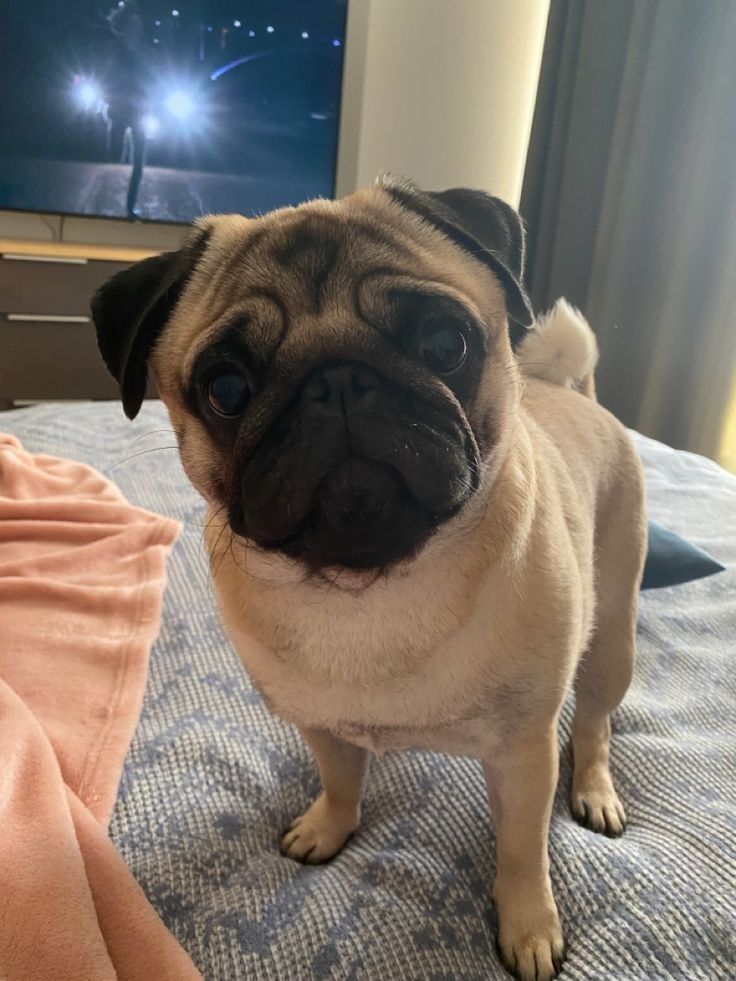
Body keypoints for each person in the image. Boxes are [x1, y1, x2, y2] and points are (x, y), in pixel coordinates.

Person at [103, 1, 149, 218]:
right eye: (133, 28)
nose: (136, 32)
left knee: (138, 160)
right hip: (125, 106)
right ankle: (120, 207)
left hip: (136, 108)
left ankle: (130, 208)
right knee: (117, 156)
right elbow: (109, 75)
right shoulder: (118, 50)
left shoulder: (137, 53)